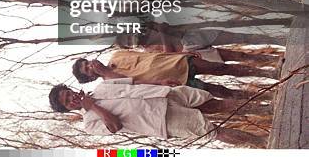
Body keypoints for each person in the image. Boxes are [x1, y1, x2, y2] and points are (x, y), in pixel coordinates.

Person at [48, 80, 267, 147]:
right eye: (67, 102)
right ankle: (265, 142)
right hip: (161, 120)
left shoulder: (102, 87)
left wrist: (162, 83)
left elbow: (130, 80)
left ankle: (268, 109)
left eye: (67, 94)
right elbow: (114, 126)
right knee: (213, 132)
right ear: (69, 110)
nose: (71, 98)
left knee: (214, 103)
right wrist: (92, 106)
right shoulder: (89, 122)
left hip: (164, 94)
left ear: (69, 89)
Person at [72, 51, 277, 99]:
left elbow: (149, 54)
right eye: (87, 70)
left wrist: (179, 53)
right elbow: (139, 86)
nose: (91, 66)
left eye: (87, 63)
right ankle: (266, 97)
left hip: (175, 62)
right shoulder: (110, 83)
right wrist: (106, 72)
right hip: (172, 82)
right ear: (90, 78)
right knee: (219, 90)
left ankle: (269, 72)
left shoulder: (117, 53)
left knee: (220, 67)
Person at [115, 21, 282, 64]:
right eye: (129, 43)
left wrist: (163, 30)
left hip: (191, 37)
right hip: (191, 53)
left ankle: (279, 40)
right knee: (236, 56)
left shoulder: (150, 29)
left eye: (129, 36)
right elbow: (169, 56)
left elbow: (170, 28)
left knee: (240, 37)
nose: (132, 40)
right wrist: (164, 35)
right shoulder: (146, 52)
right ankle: (272, 61)